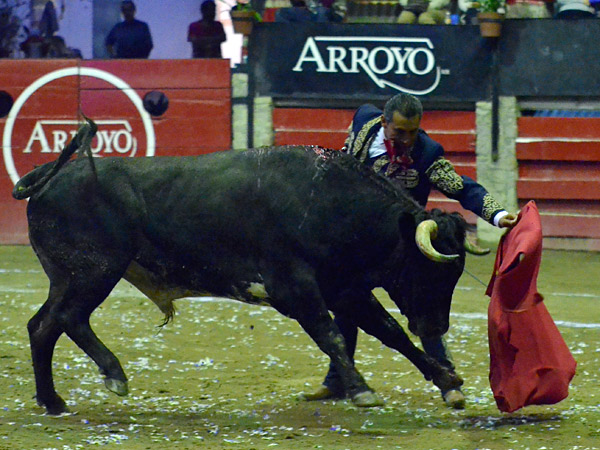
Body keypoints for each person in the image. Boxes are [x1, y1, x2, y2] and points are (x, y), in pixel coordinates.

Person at [303, 93, 519, 409]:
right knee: (346, 309)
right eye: (399, 131)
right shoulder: (364, 124)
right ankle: (337, 380)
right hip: (357, 242)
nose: (406, 139)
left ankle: (447, 381)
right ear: (383, 122)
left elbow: (460, 186)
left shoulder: (427, 153)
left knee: (423, 308)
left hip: (402, 247)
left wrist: (496, 214)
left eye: (412, 132)